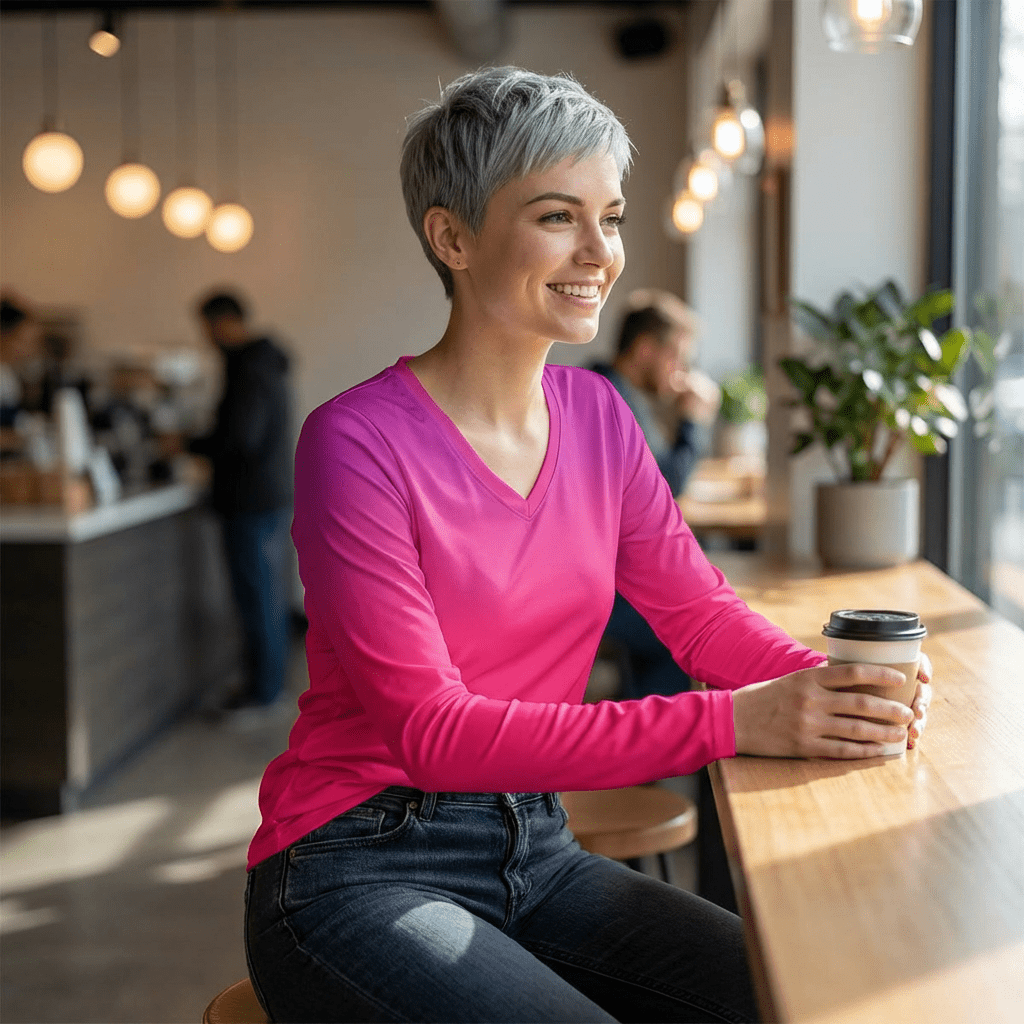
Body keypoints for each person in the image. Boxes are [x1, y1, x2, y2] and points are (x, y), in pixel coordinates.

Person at [243, 67, 932, 1024]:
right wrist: (740, 721)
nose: (600, 252)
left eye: (609, 217)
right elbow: (432, 734)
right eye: (559, 216)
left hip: (538, 847)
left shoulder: (599, 416)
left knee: (796, 998)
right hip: (358, 867)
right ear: (452, 236)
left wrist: (837, 686)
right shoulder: (355, 441)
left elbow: (698, 616)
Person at [591, 292, 721, 698]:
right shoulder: (609, 400)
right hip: (595, 587)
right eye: (677, 358)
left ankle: (644, 733)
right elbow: (669, 485)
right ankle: (655, 750)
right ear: (645, 349)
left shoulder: (610, 389)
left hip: (605, 573)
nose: (681, 373)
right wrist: (694, 421)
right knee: (682, 632)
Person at [188, 290, 293, 716]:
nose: (207, 338)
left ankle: (263, 694)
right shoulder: (266, 363)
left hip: (250, 500)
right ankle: (266, 688)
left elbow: (241, 438)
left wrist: (194, 444)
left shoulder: (247, 367)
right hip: (268, 495)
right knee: (266, 595)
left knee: (256, 597)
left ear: (223, 322)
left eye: (208, 328)